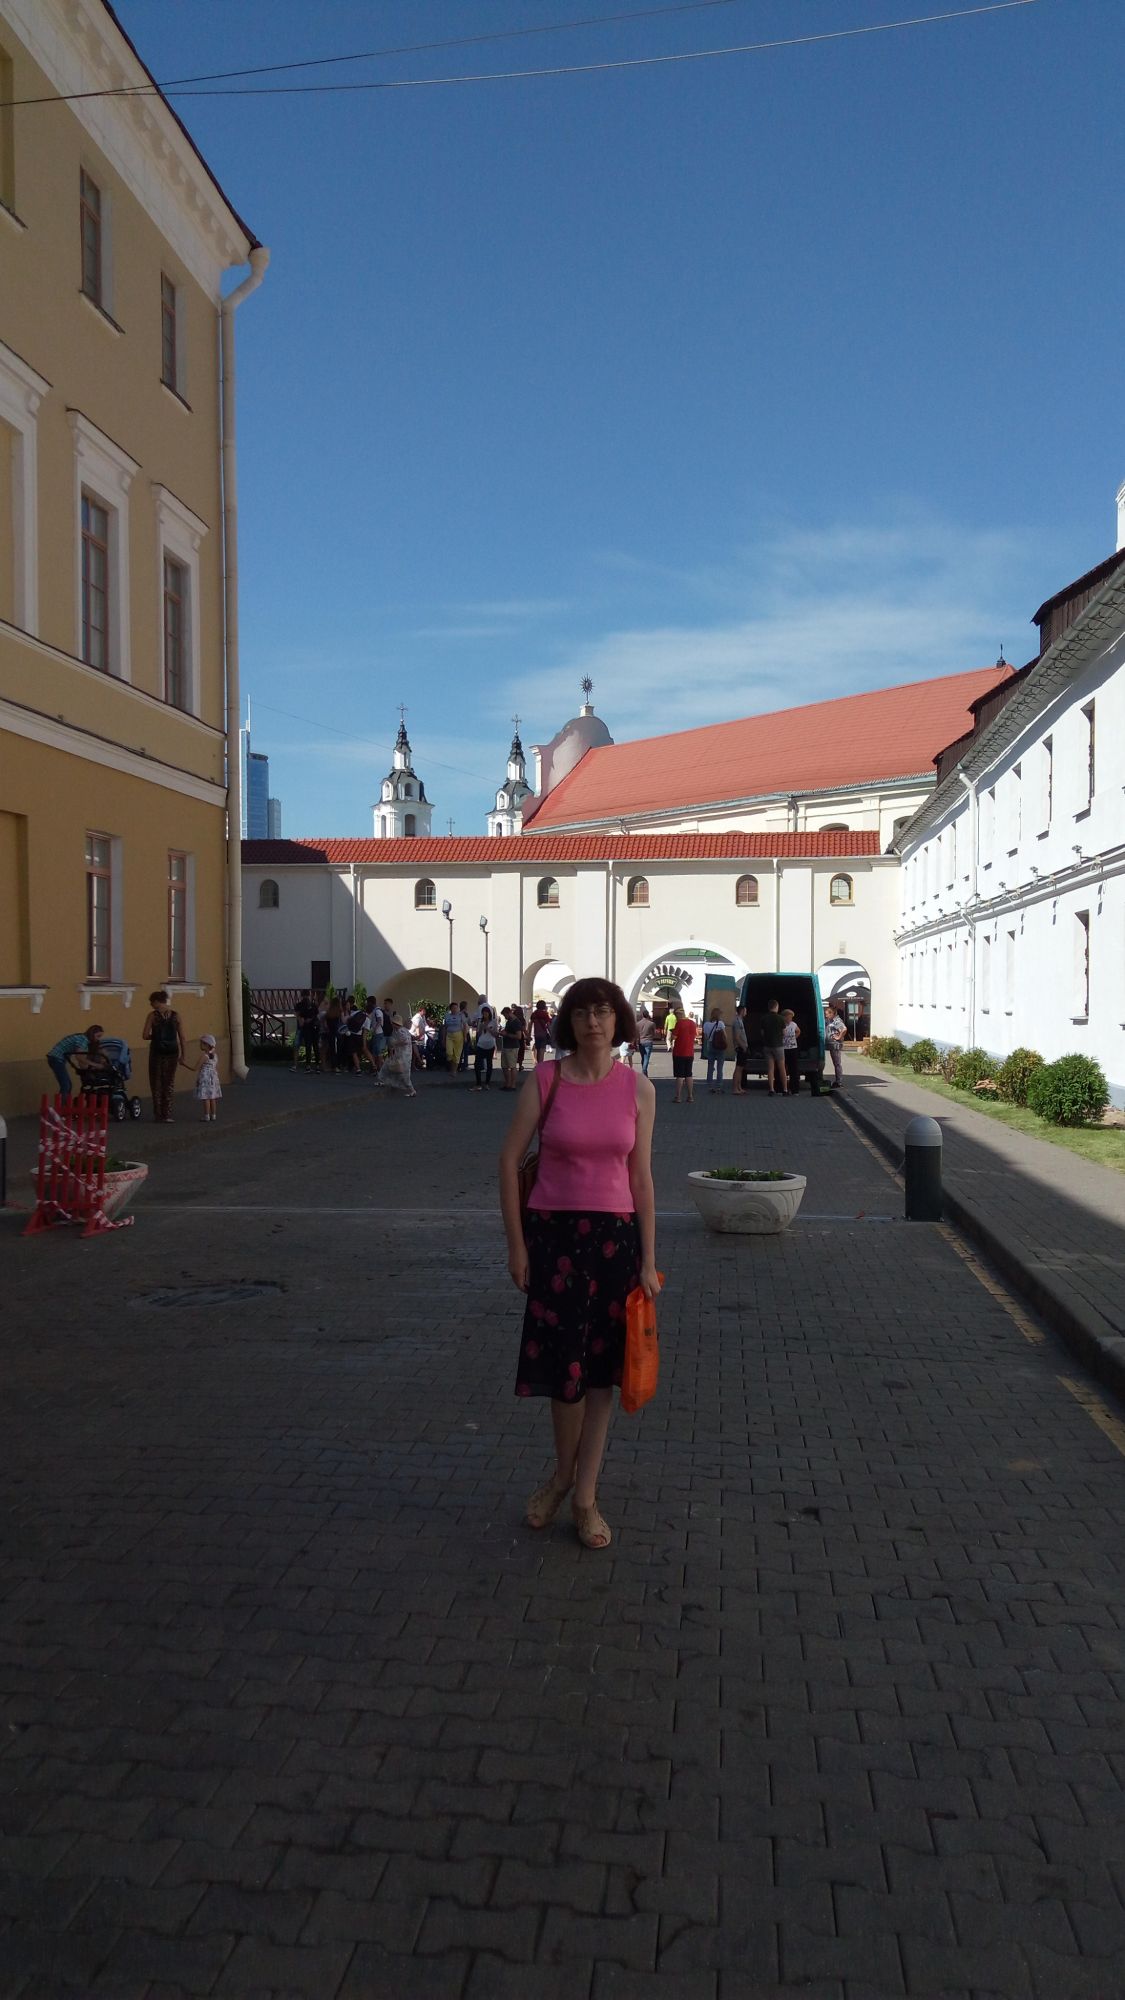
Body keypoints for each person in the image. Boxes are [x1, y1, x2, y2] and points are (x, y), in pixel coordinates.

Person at [499, 976, 659, 1552]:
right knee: (562, 1375)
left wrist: (649, 1259)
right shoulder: (546, 1080)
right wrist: (517, 1246)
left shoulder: (639, 1089)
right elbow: (509, 1161)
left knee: (598, 1377)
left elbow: (641, 1178)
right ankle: (562, 1476)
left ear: (619, 1021)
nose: (594, 1022)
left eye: (604, 1012)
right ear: (568, 1022)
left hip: (615, 1243)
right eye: (583, 1013)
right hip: (555, 1241)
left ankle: (583, 1496)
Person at [142, 990, 185, 1122]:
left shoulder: (152, 1016)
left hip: (157, 1051)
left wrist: (155, 1036)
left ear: (156, 1001)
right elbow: (182, 1037)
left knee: (156, 1083)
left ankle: (158, 1114)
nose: (151, 1005)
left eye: (151, 1002)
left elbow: (145, 1035)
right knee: (169, 1082)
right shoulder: (176, 1016)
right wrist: (183, 1055)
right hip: (172, 1051)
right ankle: (168, 1114)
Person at [46, 1025, 105, 1101]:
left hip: (56, 1058)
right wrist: (96, 1065)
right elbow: (80, 1057)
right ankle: (62, 1106)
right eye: (98, 1036)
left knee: (67, 1085)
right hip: (56, 1058)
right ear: (92, 1034)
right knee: (66, 1085)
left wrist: (88, 1068)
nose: (98, 1039)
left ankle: (65, 1104)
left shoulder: (82, 1039)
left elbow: (81, 1060)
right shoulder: (83, 1040)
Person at [375, 1014, 416, 1097]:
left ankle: (412, 1090)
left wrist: (395, 1043)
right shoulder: (400, 1030)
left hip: (403, 1055)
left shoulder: (400, 1031)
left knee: (403, 1073)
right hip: (402, 1054)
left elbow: (405, 1041)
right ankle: (383, 1081)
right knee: (388, 1066)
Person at [190, 1033, 223, 1123]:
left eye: (202, 1043)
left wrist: (184, 1064)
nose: (200, 1045)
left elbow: (195, 1068)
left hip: (205, 1078)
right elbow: (216, 1067)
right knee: (212, 1097)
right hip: (213, 1077)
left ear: (207, 1045)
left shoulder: (204, 1056)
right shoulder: (215, 1056)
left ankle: (206, 1116)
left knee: (206, 1097)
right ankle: (213, 1115)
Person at [760, 998, 787, 1096]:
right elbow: (784, 1033)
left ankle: (771, 1089)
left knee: (770, 1068)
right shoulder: (781, 1018)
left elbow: (762, 1033)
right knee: (782, 1068)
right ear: (776, 1007)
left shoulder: (763, 1018)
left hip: (767, 1046)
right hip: (778, 1046)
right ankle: (785, 1089)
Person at [671, 1010, 697, 1104]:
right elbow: (694, 1035)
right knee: (688, 1074)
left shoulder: (679, 1023)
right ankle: (690, 1096)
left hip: (679, 1052)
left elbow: (674, 1037)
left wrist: (672, 1034)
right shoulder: (692, 1023)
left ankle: (678, 1097)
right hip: (690, 1052)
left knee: (680, 1075)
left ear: (678, 1015)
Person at [500, 1006, 526, 1090]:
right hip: (506, 1045)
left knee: (512, 1066)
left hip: (512, 1046)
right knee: (504, 1066)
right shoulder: (509, 1021)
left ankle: (513, 1084)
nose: (505, 1017)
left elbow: (519, 1036)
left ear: (508, 1013)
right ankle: (507, 1083)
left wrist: (507, 1034)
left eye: (505, 1015)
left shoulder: (516, 1022)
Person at [702, 1008, 728, 1092]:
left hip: (710, 1046)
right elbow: (725, 1036)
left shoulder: (706, 1024)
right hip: (720, 1046)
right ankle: (719, 1086)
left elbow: (706, 1037)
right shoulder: (720, 1023)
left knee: (710, 1066)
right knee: (720, 1067)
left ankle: (710, 1086)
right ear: (718, 1015)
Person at [473, 1006, 498, 1090]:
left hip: (490, 1044)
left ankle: (487, 1083)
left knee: (489, 1063)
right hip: (481, 1044)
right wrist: (481, 1028)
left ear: (489, 1013)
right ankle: (478, 1083)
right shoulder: (480, 1021)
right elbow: (478, 1034)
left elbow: (495, 1034)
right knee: (477, 1064)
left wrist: (488, 1028)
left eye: (486, 1013)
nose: (485, 1015)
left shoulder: (493, 1022)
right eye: (483, 1013)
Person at [293, 991, 320, 1072]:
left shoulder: (300, 1005)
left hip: (306, 1027)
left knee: (307, 1046)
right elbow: (316, 1015)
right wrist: (310, 1019)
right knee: (314, 1046)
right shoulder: (312, 1005)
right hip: (313, 1027)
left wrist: (304, 1020)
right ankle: (316, 1066)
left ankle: (307, 1065)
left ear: (301, 996)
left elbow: (298, 1015)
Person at [443, 1000, 467, 1080]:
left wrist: (465, 1037)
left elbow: (465, 1026)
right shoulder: (447, 1016)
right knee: (449, 1053)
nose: (455, 1009)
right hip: (449, 1035)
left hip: (458, 1035)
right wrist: (443, 1038)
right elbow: (445, 1027)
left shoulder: (461, 1015)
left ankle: (454, 1071)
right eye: (453, 1008)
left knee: (457, 1054)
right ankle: (451, 1067)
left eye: (456, 1008)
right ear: (451, 1009)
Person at [824, 1001, 846, 1088]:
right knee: (836, 1063)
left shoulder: (837, 1021)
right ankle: (838, 1081)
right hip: (832, 1045)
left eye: (827, 1014)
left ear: (832, 1014)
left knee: (837, 1063)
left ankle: (839, 1082)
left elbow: (844, 1029)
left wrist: (839, 1037)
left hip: (835, 1045)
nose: (826, 1016)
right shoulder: (831, 1020)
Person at [730, 1005, 749, 1094]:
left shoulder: (740, 1021)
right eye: (745, 1011)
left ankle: (739, 1087)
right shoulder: (737, 1022)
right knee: (738, 1068)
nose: (746, 1013)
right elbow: (737, 1037)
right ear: (742, 1011)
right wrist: (743, 1046)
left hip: (742, 1047)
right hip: (740, 1047)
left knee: (741, 1068)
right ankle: (735, 1088)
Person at [781, 1009, 801, 1095]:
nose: (790, 1019)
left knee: (794, 1069)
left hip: (793, 1048)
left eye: (791, 1017)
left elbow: (798, 1031)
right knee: (782, 1069)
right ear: (784, 1017)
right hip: (783, 1049)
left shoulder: (793, 1024)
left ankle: (794, 1090)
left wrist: (794, 1037)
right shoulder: (781, 1025)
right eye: (789, 1017)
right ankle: (781, 1088)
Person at [635, 1005, 656, 1075]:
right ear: (648, 1015)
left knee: (643, 1057)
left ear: (642, 1015)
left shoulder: (638, 1024)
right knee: (647, 1057)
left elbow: (636, 1034)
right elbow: (654, 1033)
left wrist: (636, 1042)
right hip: (648, 1041)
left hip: (641, 1041)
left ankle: (644, 1072)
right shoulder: (651, 1023)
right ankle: (644, 1071)